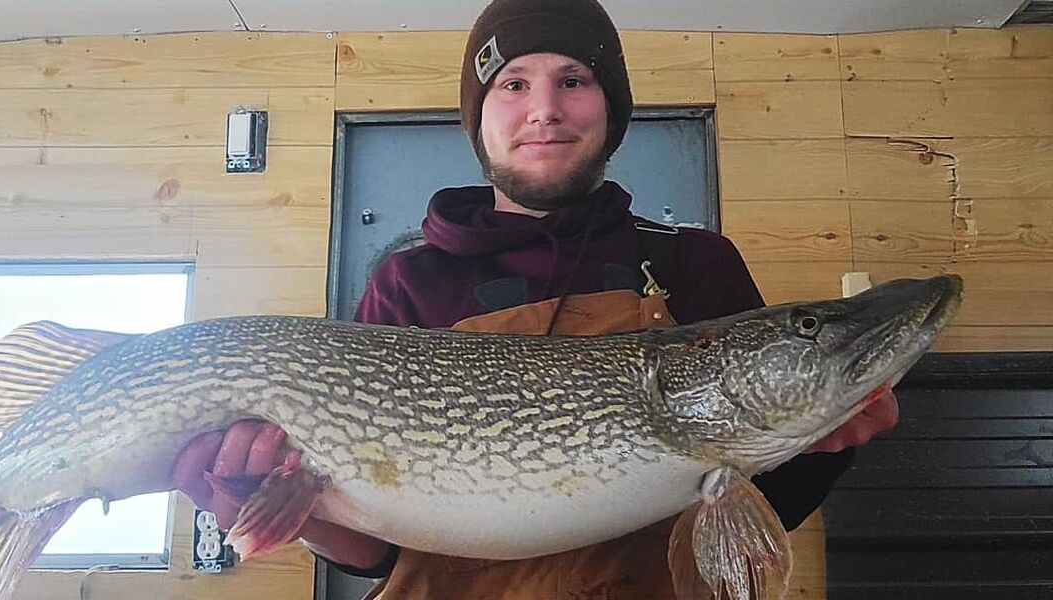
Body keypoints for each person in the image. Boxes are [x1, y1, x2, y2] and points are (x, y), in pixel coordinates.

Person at [172, 0, 900, 597]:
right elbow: (383, 553)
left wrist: (828, 446)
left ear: (611, 108)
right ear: (478, 114)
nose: (544, 110)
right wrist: (277, 506)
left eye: (574, 81)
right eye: (513, 84)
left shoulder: (696, 263)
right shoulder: (408, 283)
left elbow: (745, 506)